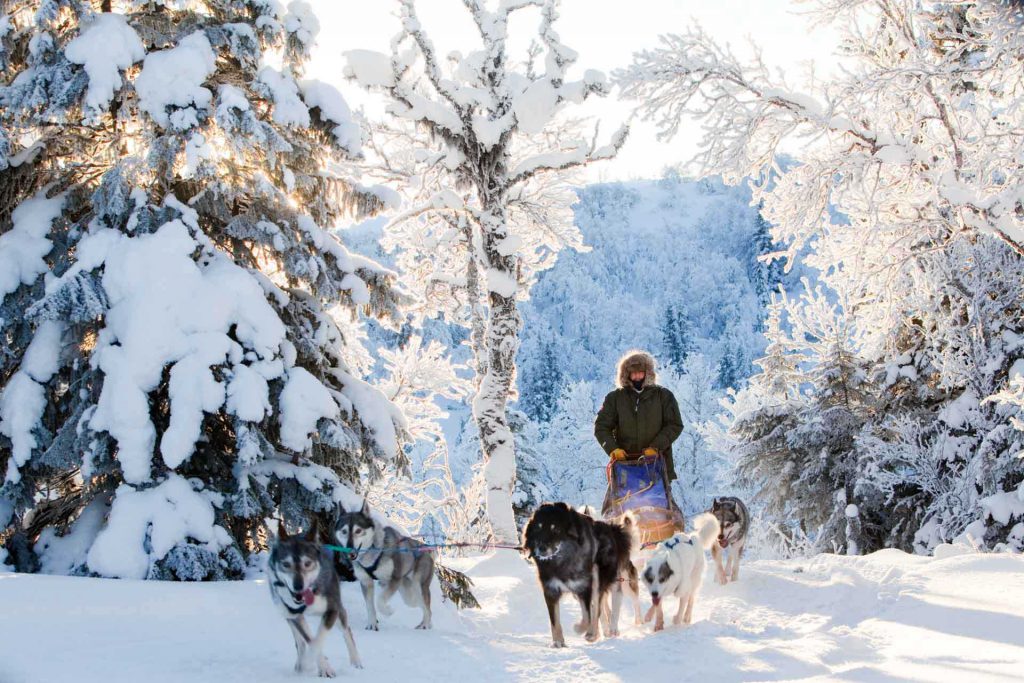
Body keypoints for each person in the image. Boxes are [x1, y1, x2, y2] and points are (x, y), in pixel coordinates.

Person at [594, 350, 683, 476]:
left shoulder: (664, 396)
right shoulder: (615, 398)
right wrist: (613, 449)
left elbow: (674, 425)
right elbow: (602, 427)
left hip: (657, 465)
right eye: (633, 373)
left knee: (658, 496)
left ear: (648, 373)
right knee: (624, 497)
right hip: (624, 467)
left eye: (640, 372)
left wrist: (656, 447)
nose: (637, 376)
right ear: (626, 374)